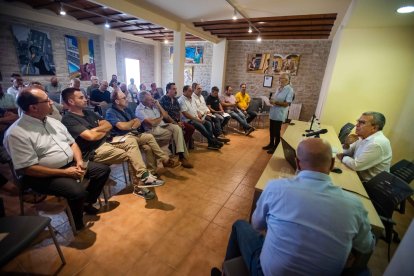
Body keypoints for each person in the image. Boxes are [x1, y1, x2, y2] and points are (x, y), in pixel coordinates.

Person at [212, 138, 375, 276]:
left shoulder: (276, 187)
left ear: (297, 162)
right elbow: (367, 246)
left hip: (267, 272)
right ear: (332, 164)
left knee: (240, 225)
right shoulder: (355, 205)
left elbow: (256, 225)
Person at [3, 86, 110, 231]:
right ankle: (77, 224)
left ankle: (85, 203)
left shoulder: (54, 122)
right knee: (77, 191)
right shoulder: (16, 133)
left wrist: (78, 161)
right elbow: (27, 168)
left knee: (102, 170)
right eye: (47, 101)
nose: (52, 103)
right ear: (34, 108)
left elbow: (72, 143)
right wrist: (66, 173)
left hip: (70, 164)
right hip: (41, 176)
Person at [61, 87, 164, 200]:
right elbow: (91, 137)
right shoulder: (68, 119)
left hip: (108, 141)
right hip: (94, 151)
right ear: (71, 101)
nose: (86, 99)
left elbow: (108, 125)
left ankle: (144, 177)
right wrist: (101, 131)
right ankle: (141, 185)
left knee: (131, 141)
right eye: (81, 97)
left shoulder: (89, 112)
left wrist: (97, 131)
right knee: (132, 154)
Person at [105, 89, 182, 172]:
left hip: (132, 135)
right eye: (124, 98)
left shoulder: (127, 109)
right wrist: (132, 123)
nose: (127, 99)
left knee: (148, 147)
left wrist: (130, 126)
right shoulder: (110, 112)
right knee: (149, 137)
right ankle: (165, 159)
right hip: (121, 139)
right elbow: (122, 126)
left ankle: (152, 171)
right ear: (117, 101)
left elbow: (138, 122)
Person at [136, 91, 193, 168]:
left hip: (163, 126)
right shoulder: (139, 110)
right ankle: (180, 157)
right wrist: (161, 117)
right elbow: (152, 123)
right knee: (178, 132)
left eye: (152, 98)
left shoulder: (154, 105)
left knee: (177, 128)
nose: (152, 100)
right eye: (149, 99)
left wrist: (158, 105)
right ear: (143, 101)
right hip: (153, 130)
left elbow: (166, 115)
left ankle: (181, 156)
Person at [336, 111, 392, 182]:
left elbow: (356, 165)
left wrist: (343, 157)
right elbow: (347, 152)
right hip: (357, 175)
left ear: (374, 128)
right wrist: (346, 144)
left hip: (368, 186)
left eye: (362, 123)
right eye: (358, 122)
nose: (357, 125)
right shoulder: (363, 136)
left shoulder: (377, 143)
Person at [178, 85, 223, 150]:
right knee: (201, 126)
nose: (191, 92)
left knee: (208, 123)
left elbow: (196, 108)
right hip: (189, 120)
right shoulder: (181, 100)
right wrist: (198, 120)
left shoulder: (191, 98)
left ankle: (211, 143)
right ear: (184, 91)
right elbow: (185, 114)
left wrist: (199, 114)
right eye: (189, 91)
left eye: (191, 91)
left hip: (196, 118)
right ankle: (213, 142)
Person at [263, 73, 294, 154]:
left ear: (286, 80)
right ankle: (271, 144)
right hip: (273, 111)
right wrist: (271, 101)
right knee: (271, 130)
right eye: (279, 78)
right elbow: (276, 99)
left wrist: (275, 102)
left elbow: (287, 103)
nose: (279, 79)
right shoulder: (279, 88)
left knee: (276, 131)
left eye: (281, 78)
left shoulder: (289, 90)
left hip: (280, 113)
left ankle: (276, 147)